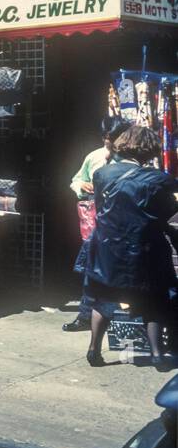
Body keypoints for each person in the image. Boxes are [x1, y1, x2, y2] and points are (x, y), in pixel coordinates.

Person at [82, 125, 178, 371]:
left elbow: (105, 207)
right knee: (154, 299)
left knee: (103, 299)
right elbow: (167, 212)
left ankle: (94, 349)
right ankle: (157, 355)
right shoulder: (159, 179)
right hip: (144, 250)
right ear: (149, 151)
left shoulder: (102, 175)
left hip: (107, 250)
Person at [65, 117, 127, 332]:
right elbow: (75, 180)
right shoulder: (94, 157)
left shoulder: (130, 160)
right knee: (92, 268)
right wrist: (81, 185)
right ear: (104, 137)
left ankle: (117, 319)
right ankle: (85, 316)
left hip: (121, 221)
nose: (112, 142)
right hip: (96, 222)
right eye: (109, 138)